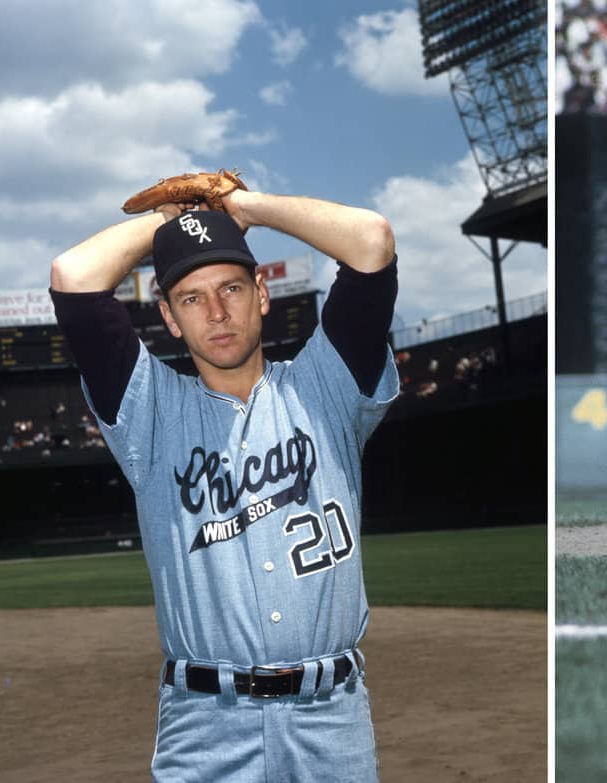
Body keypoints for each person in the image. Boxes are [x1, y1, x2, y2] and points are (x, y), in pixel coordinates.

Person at [49, 185, 398, 780]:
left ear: (261, 294)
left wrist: (246, 208)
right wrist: (170, 221)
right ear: (169, 318)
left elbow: (372, 242)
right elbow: (73, 275)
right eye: (191, 298)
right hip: (205, 726)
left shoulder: (326, 385)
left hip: (330, 721)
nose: (215, 313)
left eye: (231, 288)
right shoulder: (148, 411)